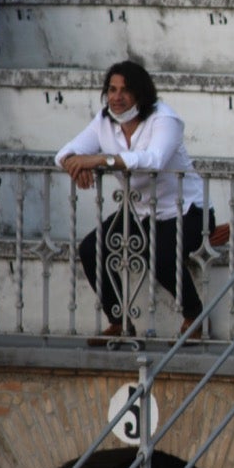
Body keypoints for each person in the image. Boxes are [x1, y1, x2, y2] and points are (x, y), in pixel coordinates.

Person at [55, 61, 213, 345]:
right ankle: (118, 322)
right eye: (112, 90)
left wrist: (99, 159)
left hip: (188, 211)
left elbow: (153, 160)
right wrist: (75, 165)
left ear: (141, 94)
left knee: (161, 252)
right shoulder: (104, 121)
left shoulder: (165, 119)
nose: (117, 97)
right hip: (140, 213)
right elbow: (64, 152)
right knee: (91, 249)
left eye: (125, 90)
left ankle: (194, 314)